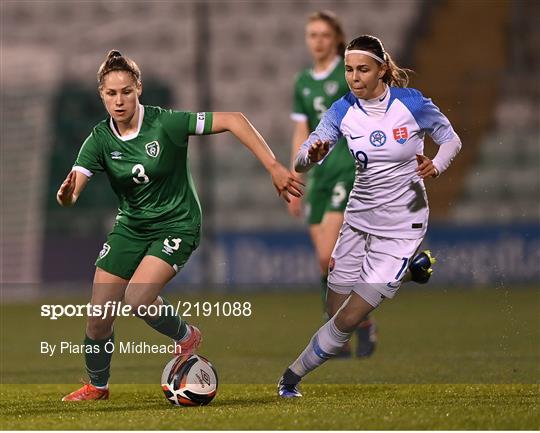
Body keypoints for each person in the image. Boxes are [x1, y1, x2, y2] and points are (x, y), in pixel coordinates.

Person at [57, 50, 303, 402]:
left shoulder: (166, 124)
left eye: (126, 91)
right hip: (131, 227)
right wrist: (66, 196)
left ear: (138, 88)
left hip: (177, 223)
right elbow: (72, 193)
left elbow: (234, 119)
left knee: (139, 298)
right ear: (101, 95)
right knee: (98, 318)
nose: (119, 100)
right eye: (111, 94)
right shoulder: (99, 140)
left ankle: (186, 337)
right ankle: (98, 386)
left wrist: (274, 166)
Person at [278, 34, 461, 397]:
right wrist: (309, 157)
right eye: (348, 70)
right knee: (335, 310)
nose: (354, 77)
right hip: (359, 218)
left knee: (348, 318)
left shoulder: (412, 103)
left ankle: (290, 379)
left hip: (403, 223)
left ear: (381, 70)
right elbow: (304, 155)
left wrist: (436, 166)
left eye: (362, 69)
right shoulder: (342, 109)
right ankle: (409, 272)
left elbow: (450, 138)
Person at [288, 12, 435, 358]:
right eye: (312, 35)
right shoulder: (303, 82)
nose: (318, 41)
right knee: (326, 263)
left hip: (346, 171)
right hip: (319, 174)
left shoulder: (353, 72)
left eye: (324, 35)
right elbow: (302, 129)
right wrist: (296, 171)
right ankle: (353, 320)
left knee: (330, 257)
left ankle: (350, 322)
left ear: (336, 39)